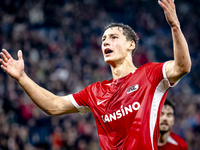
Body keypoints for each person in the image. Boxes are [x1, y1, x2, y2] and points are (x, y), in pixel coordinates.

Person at [0, 0, 191, 149]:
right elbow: (54, 106)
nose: (106, 42)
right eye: (103, 39)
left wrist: (175, 26)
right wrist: (22, 78)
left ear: (130, 45)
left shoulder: (149, 75)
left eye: (114, 37)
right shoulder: (95, 91)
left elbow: (182, 67)